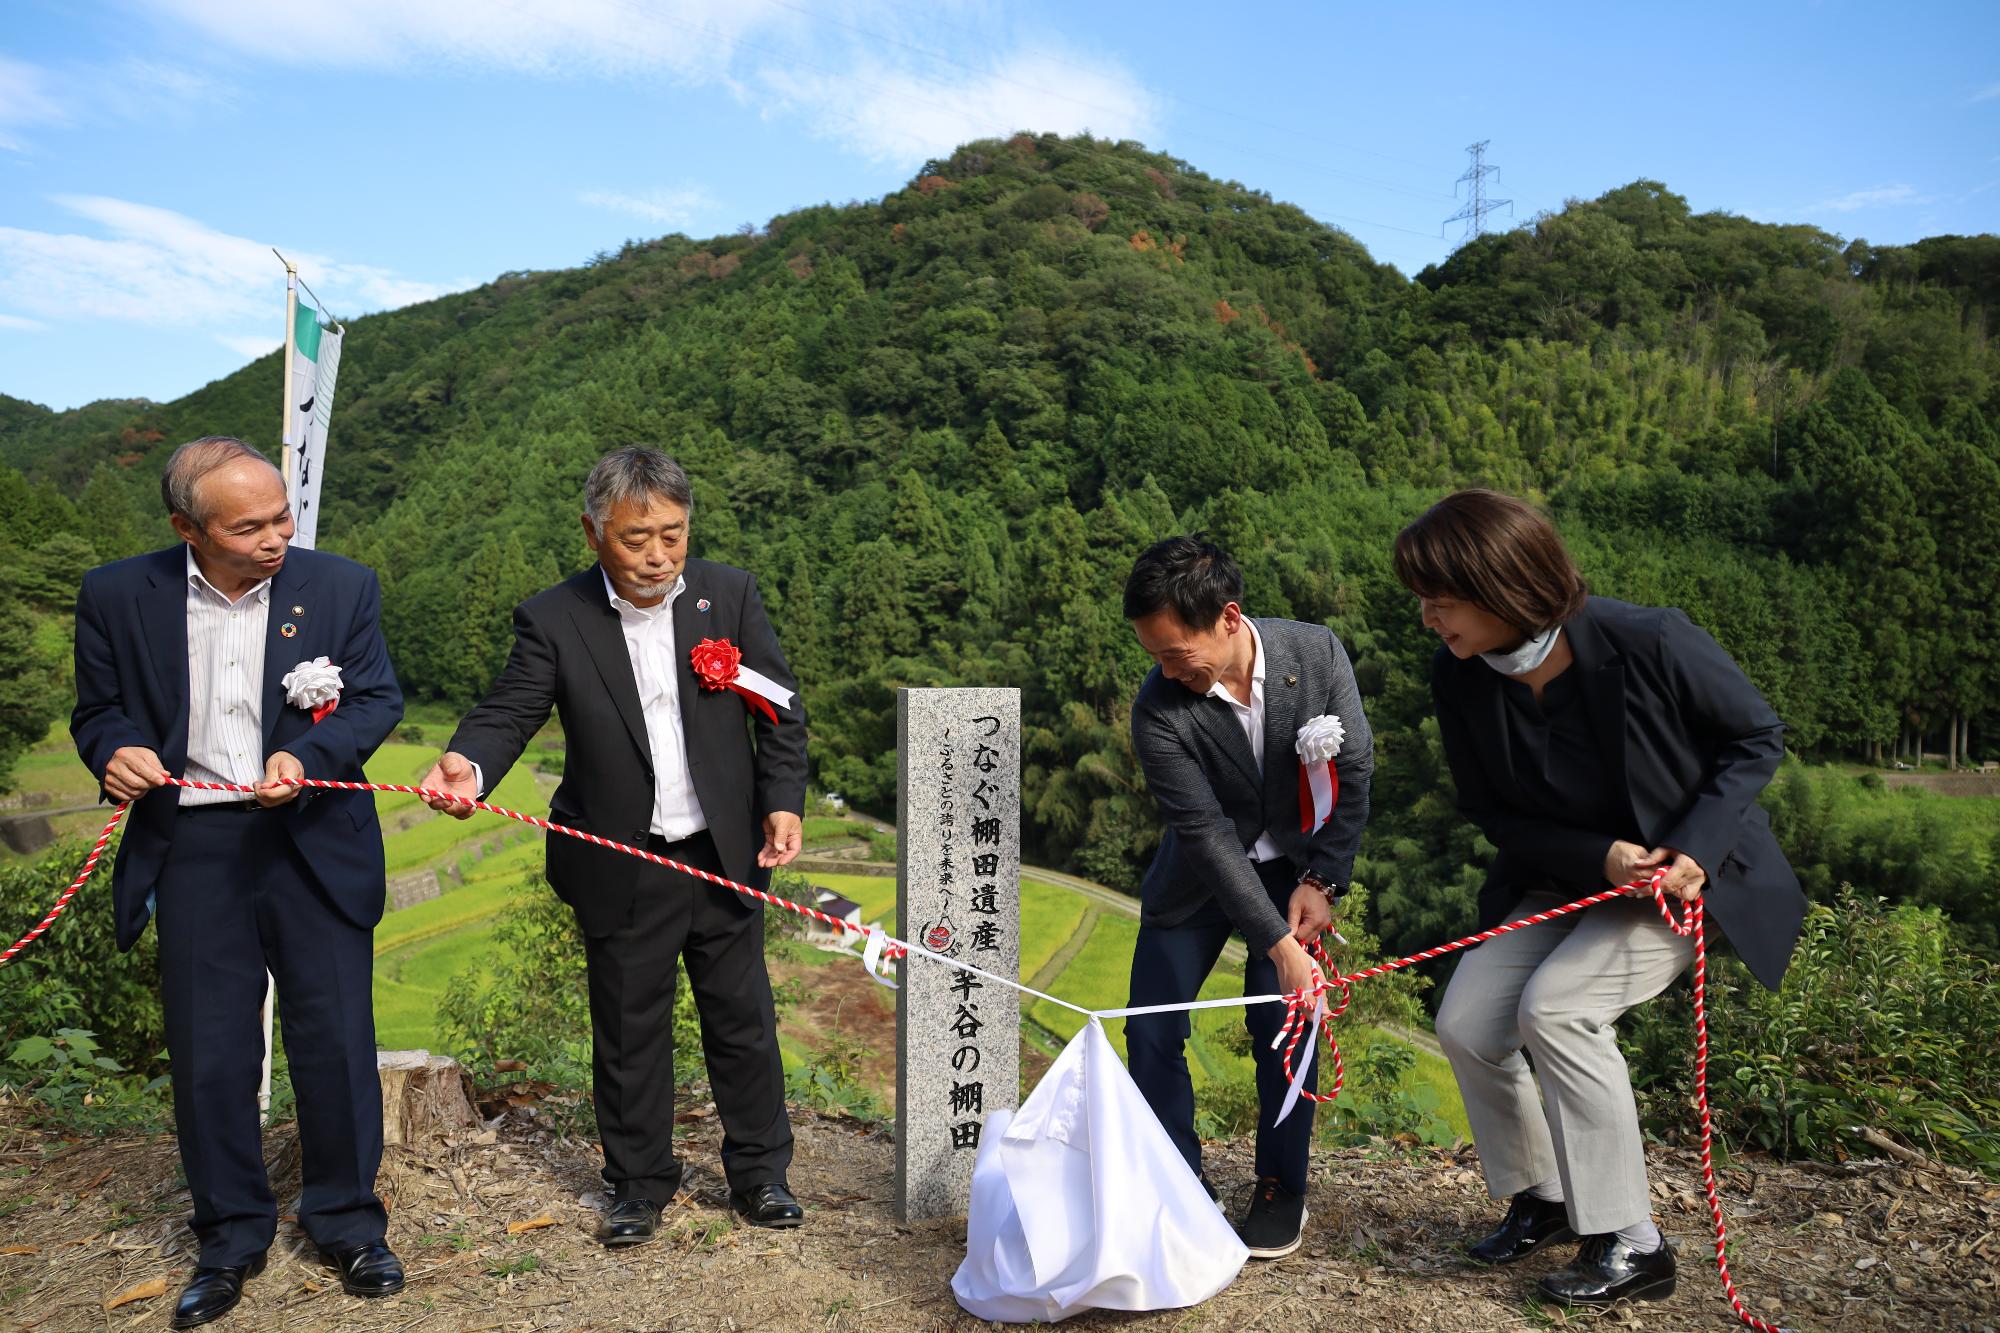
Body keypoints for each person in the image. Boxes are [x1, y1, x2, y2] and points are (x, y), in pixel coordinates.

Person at [1393, 489, 1806, 1308]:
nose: (1428, 619)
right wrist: (1597, 856)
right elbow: (1490, 809)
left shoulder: (1647, 637)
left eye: (1439, 601)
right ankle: (1543, 1195)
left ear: (1501, 585)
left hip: (1682, 884)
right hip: (1563, 877)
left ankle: (1632, 1240)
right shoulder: (1461, 675)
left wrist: (1692, 846)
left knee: (1559, 1007)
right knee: (1467, 1023)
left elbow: (1755, 735)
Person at [419, 446, 809, 1245]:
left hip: (723, 851)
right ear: (592, 530)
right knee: (630, 1028)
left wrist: (782, 802)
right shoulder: (556, 617)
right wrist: (471, 763)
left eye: (672, 534)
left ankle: (762, 1174)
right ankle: (638, 1184)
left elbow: (779, 707)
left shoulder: (727, 595)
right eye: (636, 539)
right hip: (622, 856)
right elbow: (510, 708)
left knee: (744, 1019)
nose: (657, 556)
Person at [70, 436, 406, 1328]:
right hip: (191, 846)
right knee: (211, 1052)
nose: (275, 537)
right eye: (248, 525)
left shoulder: (340, 585)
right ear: (187, 527)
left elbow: (375, 698)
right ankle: (228, 1235)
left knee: (333, 1038)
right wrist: (113, 750)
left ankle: (346, 1221)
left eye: (282, 515)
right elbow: (96, 710)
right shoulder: (116, 594)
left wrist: (307, 751)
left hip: (310, 837)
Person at [1120, 536, 1373, 1261]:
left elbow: (1353, 768)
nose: (1165, 669)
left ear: (1228, 617)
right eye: (1155, 655)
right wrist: (1280, 943)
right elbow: (1201, 831)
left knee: (1283, 1027)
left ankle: (1278, 1184)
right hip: (1201, 877)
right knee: (1152, 1028)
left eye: (1176, 653)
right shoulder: (1159, 708)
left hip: (1295, 871)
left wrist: (1323, 880)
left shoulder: (1316, 653)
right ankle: (1175, 1176)